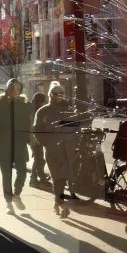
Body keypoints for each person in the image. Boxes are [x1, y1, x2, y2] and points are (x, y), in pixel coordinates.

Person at [33, 81, 77, 217]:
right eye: (55, 93)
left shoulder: (68, 110)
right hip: (52, 151)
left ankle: (57, 203)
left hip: (66, 151)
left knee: (62, 179)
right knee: (57, 177)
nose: (59, 96)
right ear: (50, 95)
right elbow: (37, 130)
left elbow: (75, 127)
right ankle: (62, 205)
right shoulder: (43, 111)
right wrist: (47, 143)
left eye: (61, 94)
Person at [0, 79, 33, 213]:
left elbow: (30, 123)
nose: (14, 90)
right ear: (7, 89)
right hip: (4, 145)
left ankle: (16, 195)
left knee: (22, 172)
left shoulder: (25, 104)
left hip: (20, 144)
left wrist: (29, 138)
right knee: (6, 175)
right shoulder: (0, 104)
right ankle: (8, 202)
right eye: (12, 88)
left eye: (17, 88)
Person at [28, 92, 50, 185]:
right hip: (35, 138)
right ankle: (36, 179)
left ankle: (35, 178)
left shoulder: (31, 109)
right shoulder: (37, 111)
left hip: (33, 137)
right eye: (42, 102)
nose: (43, 104)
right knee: (39, 159)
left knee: (38, 158)